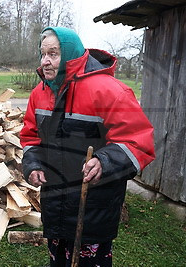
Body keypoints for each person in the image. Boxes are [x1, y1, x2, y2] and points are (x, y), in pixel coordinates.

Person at [20, 27, 155, 267]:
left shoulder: (111, 91)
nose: (45, 61)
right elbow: (30, 138)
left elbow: (138, 142)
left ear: (71, 54)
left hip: (93, 207)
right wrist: (33, 164)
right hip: (54, 205)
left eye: (53, 53)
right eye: (43, 54)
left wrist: (105, 161)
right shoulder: (39, 94)